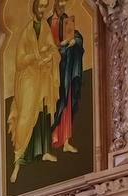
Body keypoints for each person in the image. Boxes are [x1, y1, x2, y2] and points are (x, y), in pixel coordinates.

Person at [7, 0, 61, 185]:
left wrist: (50, 53)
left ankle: (44, 150)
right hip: (28, 79)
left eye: (45, 6)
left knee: (43, 111)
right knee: (26, 115)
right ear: (34, 7)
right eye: (40, 6)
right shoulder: (26, 32)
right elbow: (20, 60)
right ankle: (18, 158)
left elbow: (53, 48)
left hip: (42, 76)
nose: (42, 10)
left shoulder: (44, 27)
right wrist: (36, 56)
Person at [49, 0, 83, 156]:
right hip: (52, 71)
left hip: (67, 68)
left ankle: (66, 141)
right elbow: (45, 47)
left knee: (67, 101)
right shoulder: (47, 24)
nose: (62, 7)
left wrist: (75, 41)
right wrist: (60, 46)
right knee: (55, 102)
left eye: (64, 5)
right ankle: (53, 136)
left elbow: (76, 36)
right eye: (60, 4)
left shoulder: (67, 21)